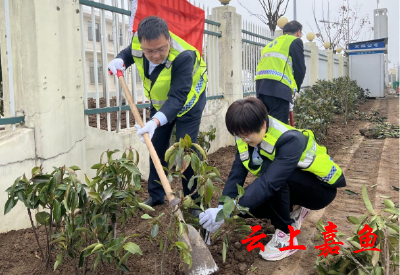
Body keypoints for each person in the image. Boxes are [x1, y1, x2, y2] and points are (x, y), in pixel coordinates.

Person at [199, 97, 346, 261]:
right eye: (238, 135)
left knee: (268, 179)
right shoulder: (245, 138)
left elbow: (269, 182)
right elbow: (236, 175)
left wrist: (228, 210)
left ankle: (287, 235)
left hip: (319, 191)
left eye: (246, 136)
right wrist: (222, 209)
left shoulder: (290, 140)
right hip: (291, 183)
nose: (243, 140)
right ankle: (294, 212)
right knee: (245, 207)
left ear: (262, 124)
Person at [108, 16, 207, 207]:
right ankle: (156, 195)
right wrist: (120, 60)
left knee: (186, 149)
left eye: (161, 49)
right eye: (149, 51)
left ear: (168, 39)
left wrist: (154, 122)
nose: (155, 55)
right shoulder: (138, 43)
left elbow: (178, 98)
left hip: (189, 102)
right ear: (142, 44)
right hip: (162, 103)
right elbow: (129, 53)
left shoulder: (183, 56)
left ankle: (193, 202)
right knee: (156, 146)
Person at [255, 20, 306, 124]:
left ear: (284, 32)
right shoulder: (295, 41)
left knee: (265, 125)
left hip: (261, 87)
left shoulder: (271, 44)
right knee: (278, 127)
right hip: (278, 89)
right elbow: (300, 69)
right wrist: (295, 89)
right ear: (298, 33)